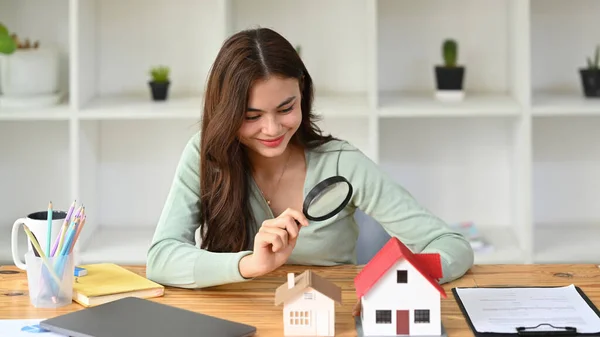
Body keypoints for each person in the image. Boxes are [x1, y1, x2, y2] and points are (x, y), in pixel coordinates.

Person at [146, 28, 474, 315]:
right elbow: (161, 258)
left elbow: (451, 245)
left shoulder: (343, 163)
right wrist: (251, 264)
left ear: (302, 90)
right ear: (226, 111)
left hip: (330, 319)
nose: (271, 128)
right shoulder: (205, 155)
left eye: (286, 108)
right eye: (251, 116)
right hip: (234, 316)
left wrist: (395, 280)